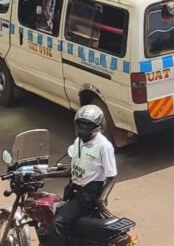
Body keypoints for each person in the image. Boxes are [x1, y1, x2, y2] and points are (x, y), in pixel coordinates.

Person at [47, 105, 118, 246]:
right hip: (75, 191)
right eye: (81, 124)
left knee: (57, 224)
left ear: (97, 126)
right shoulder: (78, 142)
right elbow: (73, 170)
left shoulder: (104, 146)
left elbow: (112, 176)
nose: (83, 129)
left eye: (88, 125)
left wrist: (101, 199)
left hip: (88, 196)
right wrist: (45, 173)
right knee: (53, 210)